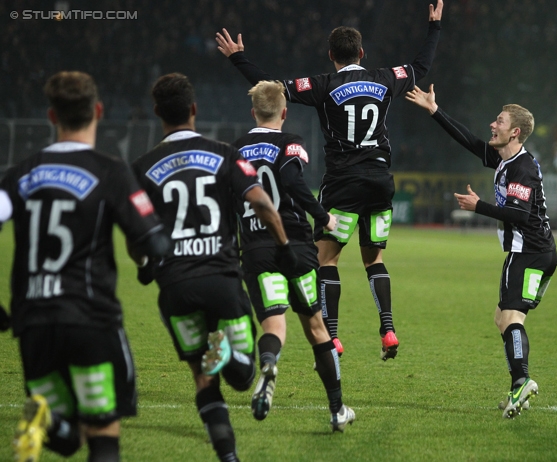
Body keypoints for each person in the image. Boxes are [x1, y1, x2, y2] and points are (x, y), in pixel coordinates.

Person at [216, 0, 444, 360]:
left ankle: (333, 337)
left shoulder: (322, 85)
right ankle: (388, 329)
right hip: (381, 180)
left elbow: (273, 90)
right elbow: (421, 66)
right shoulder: (384, 78)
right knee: (374, 260)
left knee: (327, 261)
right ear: (362, 52)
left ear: (330, 54)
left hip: (343, 182)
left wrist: (237, 57)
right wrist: (434, 27)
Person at [0, 71, 171, 462]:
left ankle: (47, 422)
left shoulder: (20, 174)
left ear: (50, 116)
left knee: (67, 435)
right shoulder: (109, 171)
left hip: (33, 322)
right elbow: (153, 240)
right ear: (98, 110)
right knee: (102, 433)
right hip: (90, 318)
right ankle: (49, 422)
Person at [130, 73, 296, 461]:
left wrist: (143, 265)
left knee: (203, 380)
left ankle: (228, 457)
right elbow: (262, 204)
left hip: (175, 286)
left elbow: (136, 236)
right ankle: (230, 356)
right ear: (194, 109)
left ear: (158, 113)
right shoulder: (225, 154)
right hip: (222, 279)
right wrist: (284, 247)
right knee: (244, 378)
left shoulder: (141, 168)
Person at [405, 84, 557, 418]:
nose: (493, 124)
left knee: (510, 318)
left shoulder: (522, 168)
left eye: (500, 121)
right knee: (502, 318)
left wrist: (479, 207)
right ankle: (519, 382)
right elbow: (469, 141)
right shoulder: (505, 159)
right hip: (538, 251)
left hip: (529, 252)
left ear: (514, 132)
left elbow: (519, 215)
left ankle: (522, 381)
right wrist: (434, 109)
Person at [233, 80, 355, 431]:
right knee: (317, 328)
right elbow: (289, 177)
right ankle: (336, 410)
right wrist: (323, 216)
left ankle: (269, 362)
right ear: (284, 112)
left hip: (256, 248)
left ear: (252, 111)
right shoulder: (290, 143)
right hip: (297, 247)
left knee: (273, 323)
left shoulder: (236, 150)